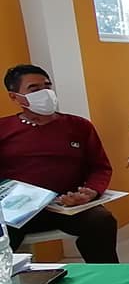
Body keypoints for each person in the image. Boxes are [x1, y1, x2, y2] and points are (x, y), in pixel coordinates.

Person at [1, 64, 118, 263]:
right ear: (15, 97)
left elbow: (100, 167)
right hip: (17, 210)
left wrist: (91, 191)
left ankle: (107, 277)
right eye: (34, 89)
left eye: (47, 86)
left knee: (101, 221)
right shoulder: (4, 129)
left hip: (67, 206)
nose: (45, 93)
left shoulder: (79, 126)